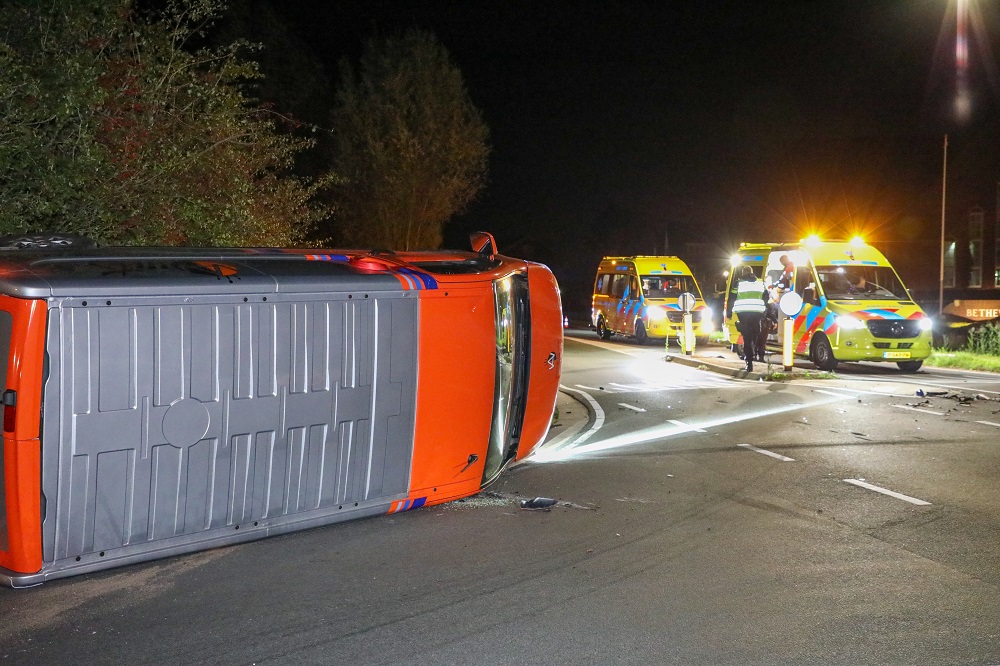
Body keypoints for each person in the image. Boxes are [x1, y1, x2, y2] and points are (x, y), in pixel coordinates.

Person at [732, 265, 769, 372]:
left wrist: (730, 313)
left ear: (743, 273)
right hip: (757, 314)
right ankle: (753, 351)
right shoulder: (761, 283)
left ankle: (749, 362)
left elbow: (732, 298)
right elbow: (766, 297)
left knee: (747, 338)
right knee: (755, 334)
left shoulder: (738, 283)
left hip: (743, 314)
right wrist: (764, 310)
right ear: (752, 273)